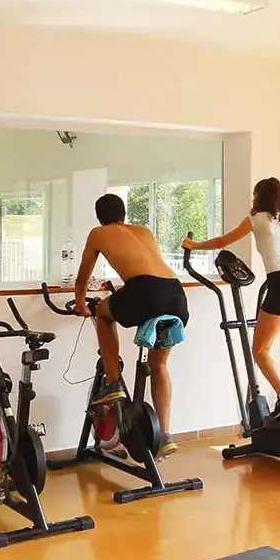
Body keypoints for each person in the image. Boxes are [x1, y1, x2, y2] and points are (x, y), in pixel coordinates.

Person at [75, 193, 188, 451]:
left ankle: (113, 382)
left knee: (103, 313)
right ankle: (165, 436)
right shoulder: (143, 231)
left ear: (99, 218)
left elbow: (82, 277)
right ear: (124, 214)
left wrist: (80, 303)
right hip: (175, 293)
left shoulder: (98, 233)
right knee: (159, 365)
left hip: (145, 290)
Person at [185, 177, 280, 407]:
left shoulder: (255, 219)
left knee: (260, 351)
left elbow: (223, 241)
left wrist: (194, 246)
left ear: (258, 197)